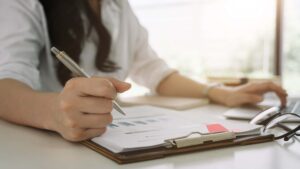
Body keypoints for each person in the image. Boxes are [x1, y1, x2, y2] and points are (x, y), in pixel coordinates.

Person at [0, 0, 287, 142]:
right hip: (45, 146)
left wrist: (222, 93)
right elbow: (5, 84)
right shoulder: (21, 4)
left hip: (110, 140)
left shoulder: (118, 5)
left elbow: (154, 71)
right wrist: (55, 112)